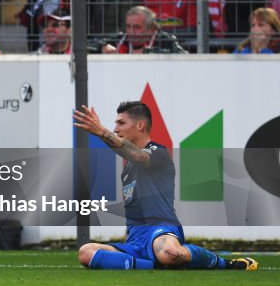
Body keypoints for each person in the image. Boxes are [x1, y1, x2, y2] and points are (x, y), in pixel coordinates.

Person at [73, 102, 258, 271]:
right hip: (135, 239)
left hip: (161, 229)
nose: (115, 128)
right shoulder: (128, 167)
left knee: (170, 253)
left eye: (121, 123)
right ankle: (152, 265)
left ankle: (225, 264)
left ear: (139, 125)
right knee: (86, 252)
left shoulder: (158, 153)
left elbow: (137, 155)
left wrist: (102, 132)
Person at [98, 5, 186, 54]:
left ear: (151, 29)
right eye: (128, 26)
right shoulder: (120, 39)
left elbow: (184, 57)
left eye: (137, 27)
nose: (131, 31)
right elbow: (90, 45)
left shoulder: (164, 39)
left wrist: (156, 54)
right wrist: (103, 47)